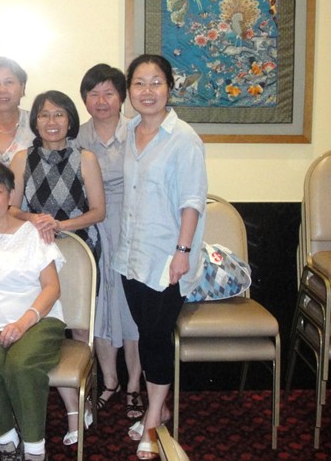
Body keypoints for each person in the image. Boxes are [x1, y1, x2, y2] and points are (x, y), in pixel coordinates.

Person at [112, 54, 207, 460]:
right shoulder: (129, 131)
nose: (147, 91)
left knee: (155, 338)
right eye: (139, 83)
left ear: (169, 87)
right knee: (146, 333)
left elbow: (192, 201)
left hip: (167, 258)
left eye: (156, 82)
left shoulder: (183, 139)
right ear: (129, 90)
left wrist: (183, 253)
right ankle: (161, 406)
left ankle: (153, 420)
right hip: (131, 256)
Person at [8, 90, 106, 447]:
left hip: (80, 250)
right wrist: (35, 219)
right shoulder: (22, 158)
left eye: (59, 114)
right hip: (38, 251)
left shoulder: (86, 158)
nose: (52, 122)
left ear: (70, 120)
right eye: (44, 115)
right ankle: (66, 408)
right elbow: (10, 208)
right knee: (46, 326)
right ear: (35, 121)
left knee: (79, 329)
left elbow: (98, 211)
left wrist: (60, 225)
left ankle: (82, 403)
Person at [0, 161, 66, 461]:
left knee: (20, 366)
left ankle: (35, 449)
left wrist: (23, 323)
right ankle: (7, 442)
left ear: (10, 194)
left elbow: (52, 288)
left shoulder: (33, 233)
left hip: (38, 320)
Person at [77, 64, 143, 422]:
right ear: (84, 99)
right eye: (93, 93)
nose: (101, 101)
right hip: (91, 230)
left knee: (132, 308)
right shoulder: (76, 137)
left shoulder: (138, 131)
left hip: (132, 228)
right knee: (98, 308)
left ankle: (134, 385)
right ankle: (110, 381)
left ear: (122, 97)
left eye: (109, 93)